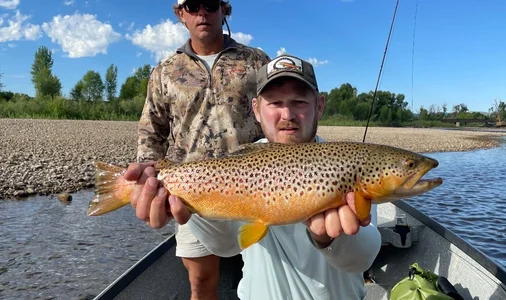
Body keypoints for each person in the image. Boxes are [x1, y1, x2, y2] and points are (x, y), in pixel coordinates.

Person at [165, 54, 383, 299]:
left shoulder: (345, 162)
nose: (287, 114)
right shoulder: (239, 164)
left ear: (319, 106)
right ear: (256, 109)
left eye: (299, 102)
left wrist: (328, 239)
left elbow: (361, 261)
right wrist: (187, 204)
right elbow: (226, 246)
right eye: (275, 103)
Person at [123, 0, 271, 299]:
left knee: (265, 275)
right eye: (192, 5)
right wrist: (147, 179)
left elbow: (274, 116)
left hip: (259, 191)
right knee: (201, 282)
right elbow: (152, 130)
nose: (202, 12)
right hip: (191, 196)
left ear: (223, 10)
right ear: (180, 14)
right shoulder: (165, 70)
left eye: (211, 4)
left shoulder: (255, 60)